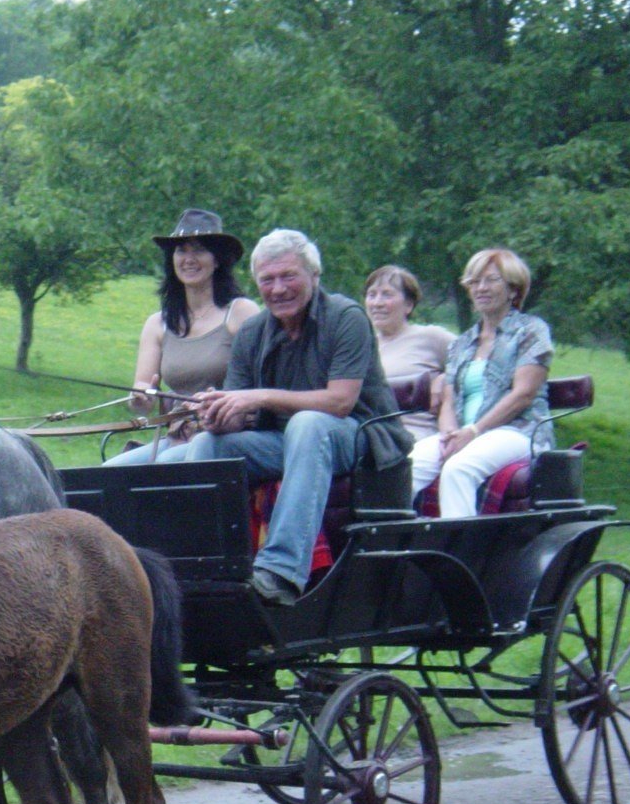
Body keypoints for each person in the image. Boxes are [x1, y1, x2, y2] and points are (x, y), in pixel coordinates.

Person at [185, 229, 412, 605]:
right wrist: (219, 415)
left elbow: (341, 402)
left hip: (359, 438)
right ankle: (209, 566)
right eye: (268, 280)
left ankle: (282, 569)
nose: (278, 289)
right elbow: (241, 413)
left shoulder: (346, 317)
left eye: (289, 276)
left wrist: (259, 396)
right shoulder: (253, 331)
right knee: (207, 444)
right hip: (285, 441)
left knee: (309, 424)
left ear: (314, 276)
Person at [105, 209, 259, 466]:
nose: (189, 259)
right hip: (176, 436)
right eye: (181, 251)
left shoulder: (241, 312)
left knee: (167, 466)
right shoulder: (158, 324)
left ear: (217, 260)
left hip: (223, 437)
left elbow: (261, 382)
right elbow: (143, 394)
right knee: (109, 472)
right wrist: (142, 397)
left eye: (198, 250)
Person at [409, 248, 552, 518]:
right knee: (406, 467)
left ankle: (460, 554)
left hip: (519, 431)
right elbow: (449, 400)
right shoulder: (462, 343)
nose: (481, 288)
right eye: (474, 282)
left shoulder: (531, 331)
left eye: (491, 280)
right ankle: (398, 550)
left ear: (513, 289)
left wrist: (474, 432)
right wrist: (450, 433)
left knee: (459, 468)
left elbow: (523, 394)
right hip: (466, 432)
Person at [364, 264, 452, 440]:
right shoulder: (361, 346)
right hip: (370, 436)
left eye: (387, 294)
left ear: (409, 305)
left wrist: (444, 379)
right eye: (372, 295)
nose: (377, 303)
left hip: (417, 435)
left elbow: (473, 361)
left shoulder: (431, 337)